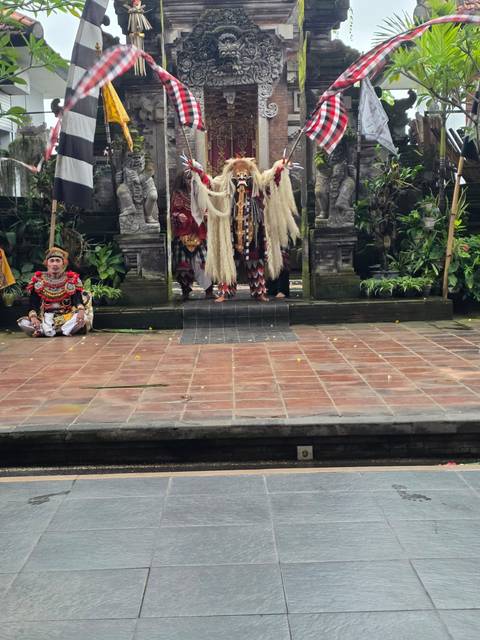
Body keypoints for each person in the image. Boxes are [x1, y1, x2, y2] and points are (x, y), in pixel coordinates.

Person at [188, 156, 299, 302]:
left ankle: (259, 292)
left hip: (254, 228)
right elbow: (209, 184)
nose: (241, 171)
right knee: (227, 260)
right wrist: (199, 172)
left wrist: (280, 167)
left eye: (244, 168)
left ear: (250, 169)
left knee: (255, 261)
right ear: (232, 170)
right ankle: (225, 292)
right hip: (231, 230)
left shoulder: (258, 181)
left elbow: (272, 180)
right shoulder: (224, 182)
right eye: (237, 168)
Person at [17, 247, 88, 337]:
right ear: (47, 263)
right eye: (52, 261)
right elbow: (33, 303)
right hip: (46, 318)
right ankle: (50, 330)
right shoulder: (38, 280)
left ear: (63, 263)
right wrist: (34, 318)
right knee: (23, 323)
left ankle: (60, 330)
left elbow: (77, 300)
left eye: (58, 261)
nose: (55, 264)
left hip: (66, 317)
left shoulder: (72, 279)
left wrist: (81, 311)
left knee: (84, 318)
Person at [170, 172, 213, 301]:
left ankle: (209, 290)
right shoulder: (178, 195)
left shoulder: (202, 193)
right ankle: (185, 290)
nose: (190, 182)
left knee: (203, 263)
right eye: (187, 179)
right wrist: (178, 216)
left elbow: (208, 209)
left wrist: (207, 216)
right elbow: (172, 213)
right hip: (183, 233)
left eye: (192, 179)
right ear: (183, 181)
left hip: (199, 232)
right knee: (183, 265)